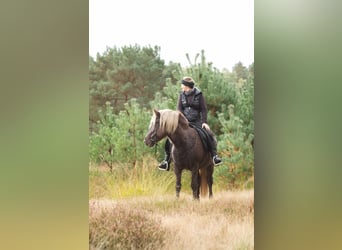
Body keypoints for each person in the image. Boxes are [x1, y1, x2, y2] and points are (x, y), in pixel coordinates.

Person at [158, 76, 222, 171]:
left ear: (187, 86)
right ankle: (166, 161)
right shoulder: (181, 95)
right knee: (170, 138)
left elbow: (203, 109)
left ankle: (214, 156)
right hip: (184, 123)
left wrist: (204, 122)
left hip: (196, 121)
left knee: (207, 134)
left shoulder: (199, 95)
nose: (181, 86)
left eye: (182, 84)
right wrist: (182, 121)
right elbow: (179, 109)